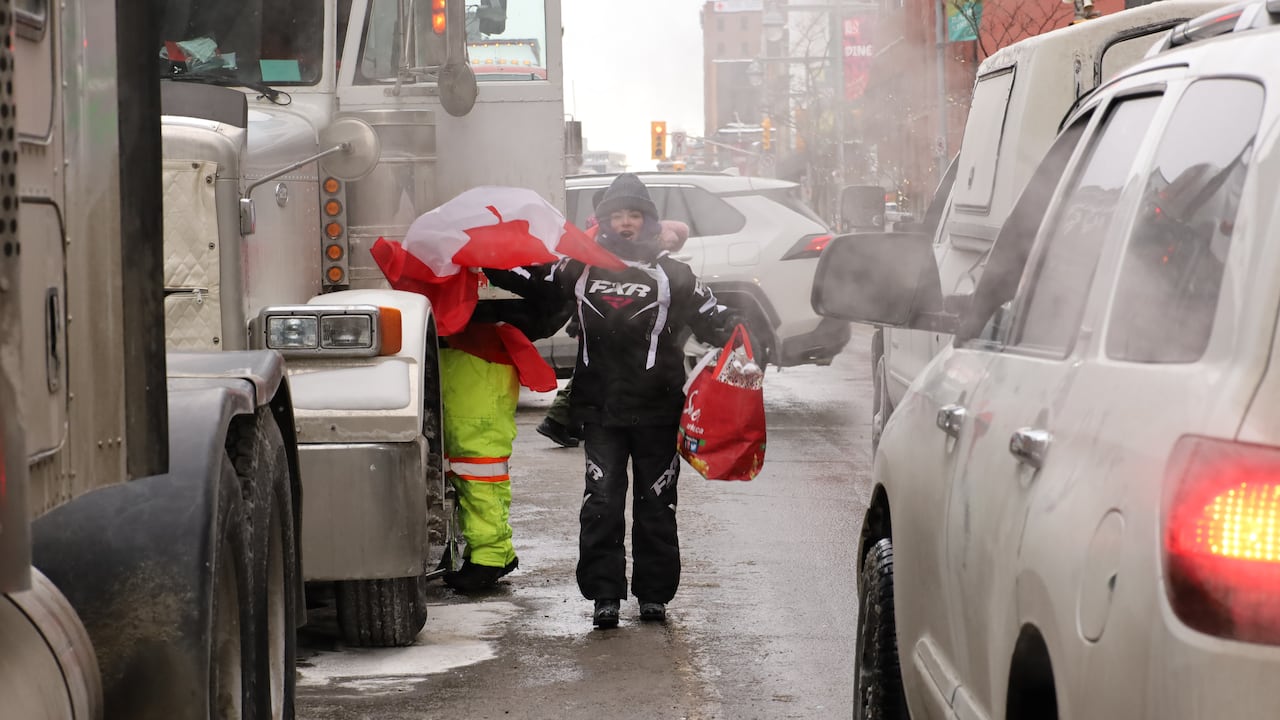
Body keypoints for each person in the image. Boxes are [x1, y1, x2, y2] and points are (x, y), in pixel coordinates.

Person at [489, 173, 742, 628]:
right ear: (602, 221)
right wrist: (486, 257)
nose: (625, 224)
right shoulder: (580, 267)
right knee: (602, 502)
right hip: (600, 411)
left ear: (648, 220)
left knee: (656, 503)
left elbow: (716, 320)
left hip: (660, 411)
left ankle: (654, 596)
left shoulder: (675, 274)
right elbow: (535, 279)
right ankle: (604, 595)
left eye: (634, 215)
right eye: (616, 216)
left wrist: (747, 335)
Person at [438, 290, 571, 593]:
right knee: (472, 467)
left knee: (476, 466)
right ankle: (494, 551)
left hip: (476, 359)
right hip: (474, 356)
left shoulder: (494, 277)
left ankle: (489, 558)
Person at [536, 217, 692, 449]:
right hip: (599, 332)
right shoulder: (603, 258)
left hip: (615, 354)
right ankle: (557, 420)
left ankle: (561, 420)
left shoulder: (658, 267)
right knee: (587, 372)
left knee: (589, 372)